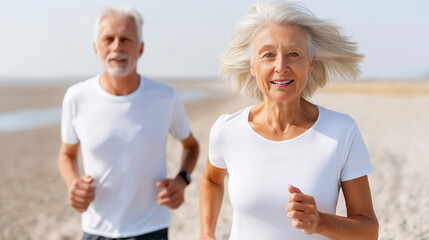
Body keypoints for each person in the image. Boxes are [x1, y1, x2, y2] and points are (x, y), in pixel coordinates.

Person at [199, 2, 378, 240]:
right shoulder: (227, 130)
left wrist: (320, 222)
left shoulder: (341, 131)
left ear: (311, 63)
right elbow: (211, 179)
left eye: (293, 54)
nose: (281, 67)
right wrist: (206, 232)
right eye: (268, 55)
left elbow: (368, 231)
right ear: (253, 65)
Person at [58, 6, 199, 240]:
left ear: (140, 48)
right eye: (108, 39)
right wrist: (73, 184)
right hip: (96, 229)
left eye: (125, 39)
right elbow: (67, 153)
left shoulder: (165, 97)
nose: (116, 47)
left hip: (151, 228)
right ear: (96, 48)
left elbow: (191, 146)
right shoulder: (76, 97)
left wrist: (181, 180)